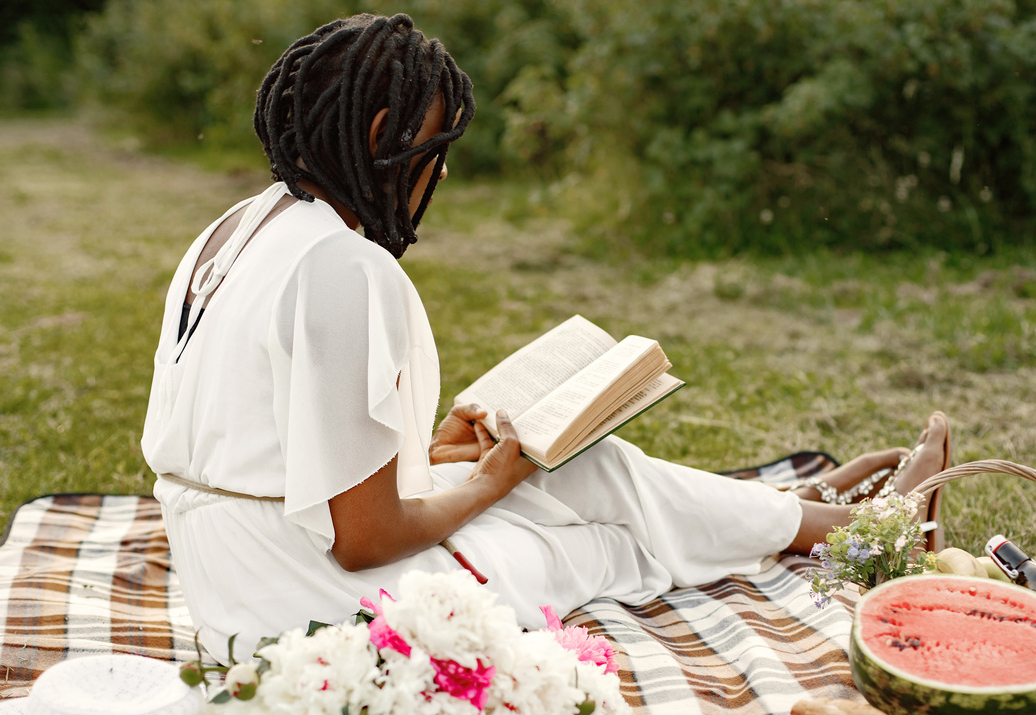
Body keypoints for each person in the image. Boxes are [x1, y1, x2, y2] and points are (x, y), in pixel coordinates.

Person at [141, 14, 951, 660]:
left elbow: (266, 448)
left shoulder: (239, 227)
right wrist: (494, 480)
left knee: (582, 469)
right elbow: (365, 540)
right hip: (309, 605)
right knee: (599, 546)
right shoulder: (344, 268)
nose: (443, 173)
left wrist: (430, 452)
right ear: (383, 131)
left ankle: (799, 515)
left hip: (232, 582)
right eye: (435, 148)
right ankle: (837, 528)